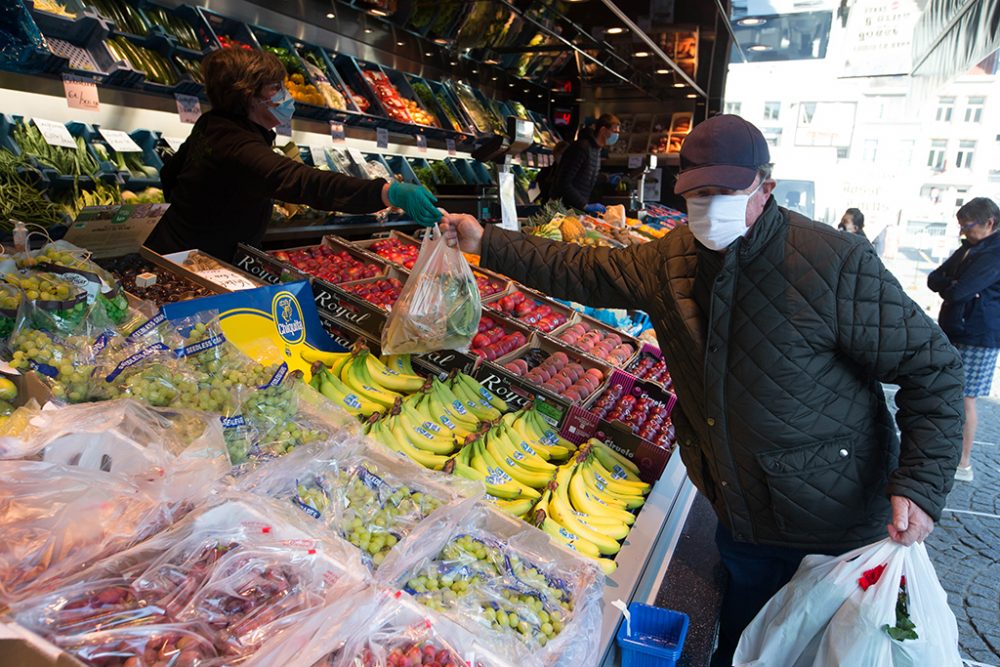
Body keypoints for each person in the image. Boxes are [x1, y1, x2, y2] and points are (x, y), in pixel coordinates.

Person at [440, 114, 963, 667]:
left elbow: (933, 368)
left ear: (766, 188)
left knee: (836, 654)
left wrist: (922, 484)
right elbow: (585, 269)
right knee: (743, 650)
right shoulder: (671, 259)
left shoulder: (832, 263)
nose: (711, 207)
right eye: (698, 194)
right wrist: (488, 243)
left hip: (835, 526)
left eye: (726, 192)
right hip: (742, 519)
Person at [145, 48, 441, 261]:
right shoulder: (238, 146)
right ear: (250, 96)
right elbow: (302, 181)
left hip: (188, 249)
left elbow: (170, 173)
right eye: (277, 88)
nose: (287, 95)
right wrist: (389, 192)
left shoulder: (215, 124)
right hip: (194, 260)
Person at [928, 196, 1000, 483]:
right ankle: (947, 455)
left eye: (966, 225)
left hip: (979, 335)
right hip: (957, 329)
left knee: (964, 399)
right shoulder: (971, 247)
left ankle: (963, 463)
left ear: (989, 223)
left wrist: (953, 286)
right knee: (950, 394)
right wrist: (952, 285)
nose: (962, 231)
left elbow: (959, 292)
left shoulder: (994, 252)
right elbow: (935, 279)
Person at [548, 114, 620, 211]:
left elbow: (585, 175)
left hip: (576, 209)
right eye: (614, 132)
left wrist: (606, 178)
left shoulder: (596, 150)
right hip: (563, 209)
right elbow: (564, 182)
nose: (617, 136)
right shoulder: (581, 148)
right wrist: (584, 205)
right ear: (603, 130)